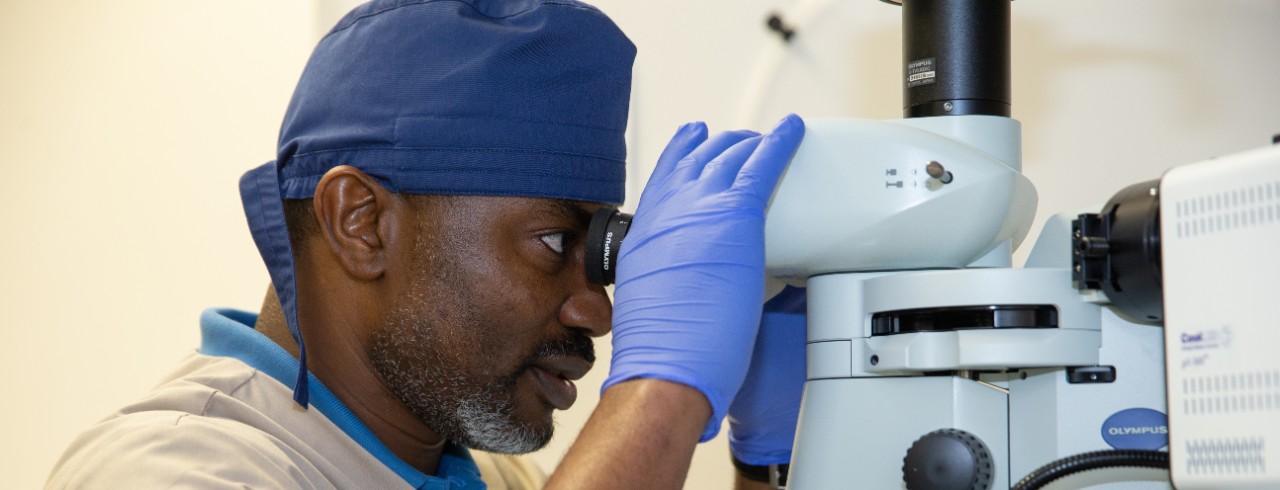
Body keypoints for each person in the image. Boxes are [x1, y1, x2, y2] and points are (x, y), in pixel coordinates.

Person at [45, 1, 808, 489]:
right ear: (360, 223)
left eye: (599, 254)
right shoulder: (173, 471)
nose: (597, 311)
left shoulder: (497, 477)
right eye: (552, 240)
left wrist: (763, 459)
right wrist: (662, 392)